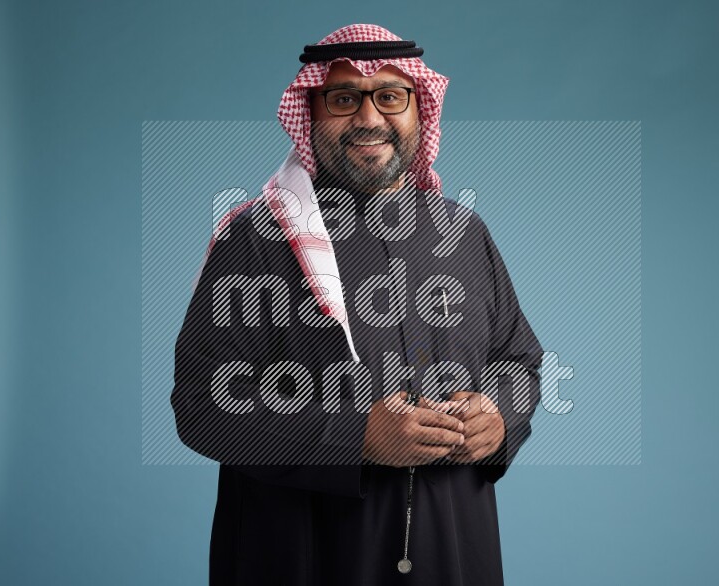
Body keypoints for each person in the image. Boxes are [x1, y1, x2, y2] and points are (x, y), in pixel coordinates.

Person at [171, 23, 543, 586]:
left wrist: (500, 421)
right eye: (343, 99)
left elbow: (519, 363)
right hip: (305, 554)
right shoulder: (256, 239)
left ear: (421, 109)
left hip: (454, 553)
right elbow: (202, 404)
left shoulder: (465, 233)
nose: (369, 119)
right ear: (312, 111)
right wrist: (356, 437)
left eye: (390, 97)